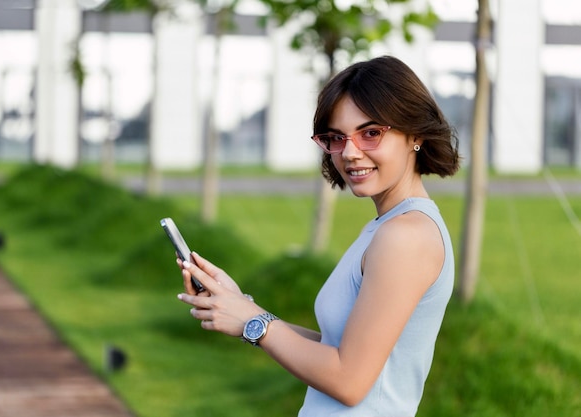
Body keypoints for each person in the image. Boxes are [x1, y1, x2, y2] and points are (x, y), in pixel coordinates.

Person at [176, 55, 460, 416]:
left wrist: (254, 324)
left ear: (414, 134)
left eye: (371, 133)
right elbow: (336, 349)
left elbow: (349, 381)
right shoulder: (389, 227)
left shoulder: (406, 236)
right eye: (337, 138)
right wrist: (245, 308)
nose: (350, 153)